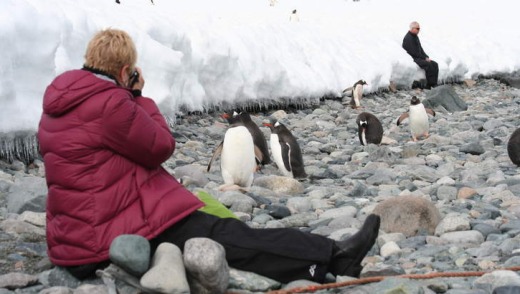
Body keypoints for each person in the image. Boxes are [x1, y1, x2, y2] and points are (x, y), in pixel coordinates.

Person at [38, 28, 380, 284]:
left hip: (72, 238)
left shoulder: (59, 102)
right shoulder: (110, 102)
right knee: (228, 237)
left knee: (211, 216)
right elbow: (159, 147)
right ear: (126, 69)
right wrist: (138, 97)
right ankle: (332, 256)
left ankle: (316, 255)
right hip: (106, 235)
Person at [402, 21, 439, 89]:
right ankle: (430, 84)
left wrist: (426, 56)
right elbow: (414, 52)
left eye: (419, 28)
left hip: (419, 57)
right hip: (413, 58)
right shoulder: (408, 38)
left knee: (435, 64)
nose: (419, 30)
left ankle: (434, 83)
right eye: (417, 28)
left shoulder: (415, 36)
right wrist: (424, 58)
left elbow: (420, 49)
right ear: (412, 28)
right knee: (428, 65)